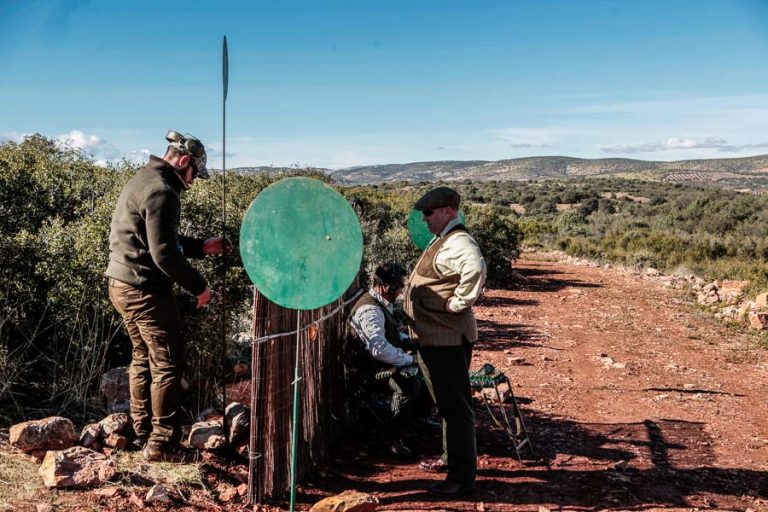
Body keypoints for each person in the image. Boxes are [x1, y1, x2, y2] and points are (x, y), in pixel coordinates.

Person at [105, 130, 231, 463]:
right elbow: (164, 254)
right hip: (144, 289)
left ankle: (143, 433)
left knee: (143, 357)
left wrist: (202, 247)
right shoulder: (163, 191)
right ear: (185, 162)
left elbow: (153, 238)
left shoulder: (143, 179)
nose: (193, 182)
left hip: (121, 284)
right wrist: (200, 287)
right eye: (194, 175)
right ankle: (162, 445)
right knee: (168, 363)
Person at [404, 186, 487, 499]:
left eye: (430, 212)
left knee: (455, 407)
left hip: (446, 338)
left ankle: (461, 479)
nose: (425, 218)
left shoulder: (459, 241)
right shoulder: (444, 239)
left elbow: (476, 268)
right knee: (448, 404)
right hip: (436, 337)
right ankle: (452, 460)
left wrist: (457, 303)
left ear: (449, 211)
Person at [346, 263, 421, 458]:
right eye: (397, 286)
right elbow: (378, 348)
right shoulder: (370, 310)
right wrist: (408, 359)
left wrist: (410, 344)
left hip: (378, 364)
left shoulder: (382, 304)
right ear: (383, 285)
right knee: (407, 383)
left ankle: (417, 420)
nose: (399, 291)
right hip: (366, 372)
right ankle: (390, 437)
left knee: (425, 370)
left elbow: (390, 336)